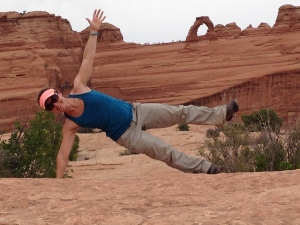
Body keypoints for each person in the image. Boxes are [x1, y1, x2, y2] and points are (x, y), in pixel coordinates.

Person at [37, 9, 239, 178]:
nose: (54, 104)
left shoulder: (79, 87)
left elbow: (88, 58)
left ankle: (222, 114)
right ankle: (205, 168)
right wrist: (58, 185)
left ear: (57, 93)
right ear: (50, 111)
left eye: (53, 99)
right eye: (49, 106)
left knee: (181, 112)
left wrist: (93, 32)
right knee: (163, 151)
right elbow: (63, 155)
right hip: (127, 135)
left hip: (136, 110)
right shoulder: (70, 124)